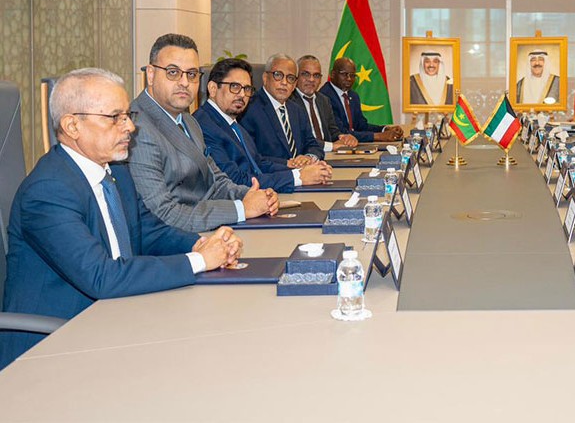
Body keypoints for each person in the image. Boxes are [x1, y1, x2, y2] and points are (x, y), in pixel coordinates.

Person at [0, 68, 243, 368]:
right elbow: (101, 277)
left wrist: (202, 244)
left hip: (118, 319)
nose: (130, 127)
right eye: (115, 117)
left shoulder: (117, 173)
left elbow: (150, 232)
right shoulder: (48, 190)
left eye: (128, 115)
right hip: (54, 347)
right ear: (72, 125)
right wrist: (200, 261)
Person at [128, 34, 278, 232]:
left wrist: (253, 195)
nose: (184, 82)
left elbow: (215, 181)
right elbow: (162, 213)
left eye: (191, 74)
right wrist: (241, 209)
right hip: (176, 240)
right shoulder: (136, 127)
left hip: (207, 227)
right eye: (173, 72)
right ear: (151, 74)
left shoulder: (189, 121)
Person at [195, 58, 332, 193]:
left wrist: (302, 170)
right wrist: (298, 177)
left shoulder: (232, 123)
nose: (242, 95)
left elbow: (258, 163)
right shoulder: (203, 126)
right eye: (235, 87)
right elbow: (234, 180)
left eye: (247, 89)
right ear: (213, 88)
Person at [240, 53, 327, 167]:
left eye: (290, 78)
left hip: (303, 173)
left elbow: (312, 144)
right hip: (272, 176)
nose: (284, 82)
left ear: (295, 84)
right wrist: (288, 164)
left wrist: (308, 157)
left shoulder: (297, 110)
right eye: (278, 75)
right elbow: (251, 157)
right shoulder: (248, 109)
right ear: (265, 78)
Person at [321, 57, 403, 142]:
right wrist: (378, 136)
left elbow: (361, 126)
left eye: (352, 75)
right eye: (344, 74)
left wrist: (385, 129)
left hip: (353, 145)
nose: (349, 79)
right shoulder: (324, 97)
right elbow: (341, 133)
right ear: (333, 74)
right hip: (335, 146)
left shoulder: (353, 96)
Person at [294, 54, 359, 151]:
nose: (311, 79)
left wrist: (344, 137)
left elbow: (333, 131)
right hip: (305, 156)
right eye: (306, 74)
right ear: (296, 76)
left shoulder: (324, 100)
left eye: (316, 75)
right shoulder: (289, 102)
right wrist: (331, 146)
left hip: (329, 155)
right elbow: (299, 139)